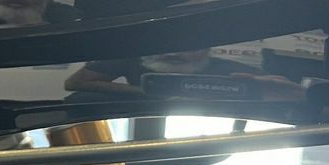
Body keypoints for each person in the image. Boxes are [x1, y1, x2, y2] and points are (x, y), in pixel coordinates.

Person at [64, 48, 304, 101]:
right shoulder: (131, 56)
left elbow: (282, 93)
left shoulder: (233, 71)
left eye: (189, 46)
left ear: (208, 48)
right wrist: (146, 92)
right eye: (165, 44)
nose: (174, 53)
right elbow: (74, 83)